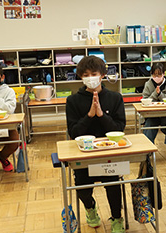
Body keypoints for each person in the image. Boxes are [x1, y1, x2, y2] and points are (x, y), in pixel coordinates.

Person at [66, 56, 126, 233]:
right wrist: (90, 115)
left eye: (94, 73)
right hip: (83, 154)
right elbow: (74, 132)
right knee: (82, 186)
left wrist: (101, 114)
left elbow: (119, 128)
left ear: (102, 75)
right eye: (86, 74)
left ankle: (117, 218)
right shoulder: (73, 101)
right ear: (80, 77)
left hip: (109, 153)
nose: (90, 77)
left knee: (113, 184)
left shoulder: (115, 98)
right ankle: (90, 208)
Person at [142, 63, 166, 158]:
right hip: (152, 115)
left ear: (164, 73)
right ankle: (147, 150)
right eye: (154, 75)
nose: (156, 77)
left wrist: (161, 94)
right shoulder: (148, 84)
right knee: (149, 126)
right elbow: (145, 99)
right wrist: (155, 93)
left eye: (159, 75)